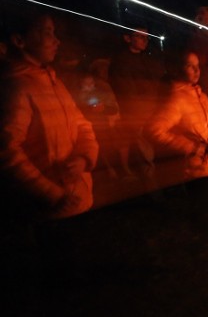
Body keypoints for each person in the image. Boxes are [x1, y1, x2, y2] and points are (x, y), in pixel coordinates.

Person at [0, 13, 99, 219]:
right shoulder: (16, 86)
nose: (57, 41)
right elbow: (6, 152)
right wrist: (51, 194)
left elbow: (82, 124)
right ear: (19, 41)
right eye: (47, 33)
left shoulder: (53, 81)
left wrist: (83, 158)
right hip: (48, 209)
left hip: (75, 196)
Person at [146, 51, 208, 182]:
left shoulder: (202, 96)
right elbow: (155, 130)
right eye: (190, 66)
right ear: (179, 69)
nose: (196, 70)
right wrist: (193, 147)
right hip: (195, 172)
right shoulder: (176, 99)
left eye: (198, 65)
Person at [109, 24, 166, 178]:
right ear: (127, 38)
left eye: (146, 37)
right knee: (145, 155)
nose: (145, 40)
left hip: (153, 111)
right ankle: (152, 190)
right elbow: (127, 92)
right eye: (140, 36)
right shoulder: (121, 63)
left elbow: (157, 81)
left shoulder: (147, 58)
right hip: (138, 115)